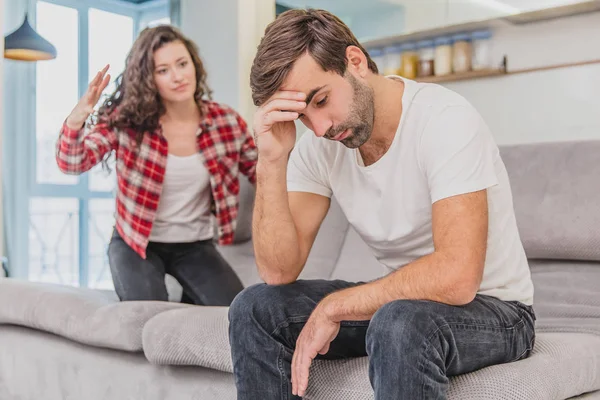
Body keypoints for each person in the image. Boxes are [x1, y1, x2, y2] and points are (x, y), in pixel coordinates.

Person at [228, 8, 536, 399]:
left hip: (497, 310)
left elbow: (457, 278)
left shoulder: (444, 119)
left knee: (399, 322)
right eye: (302, 117)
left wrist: (334, 307)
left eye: (321, 100)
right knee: (255, 308)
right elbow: (277, 271)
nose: (320, 128)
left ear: (355, 62)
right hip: (406, 305)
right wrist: (271, 160)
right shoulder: (320, 147)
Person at [56, 25, 256, 306]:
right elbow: (72, 163)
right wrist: (77, 118)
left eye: (182, 64)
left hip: (195, 245)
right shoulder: (128, 122)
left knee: (238, 312)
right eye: (163, 70)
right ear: (149, 80)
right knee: (147, 319)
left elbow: (261, 170)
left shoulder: (226, 122)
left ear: (194, 65)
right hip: (136, 243)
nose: (177, 77)